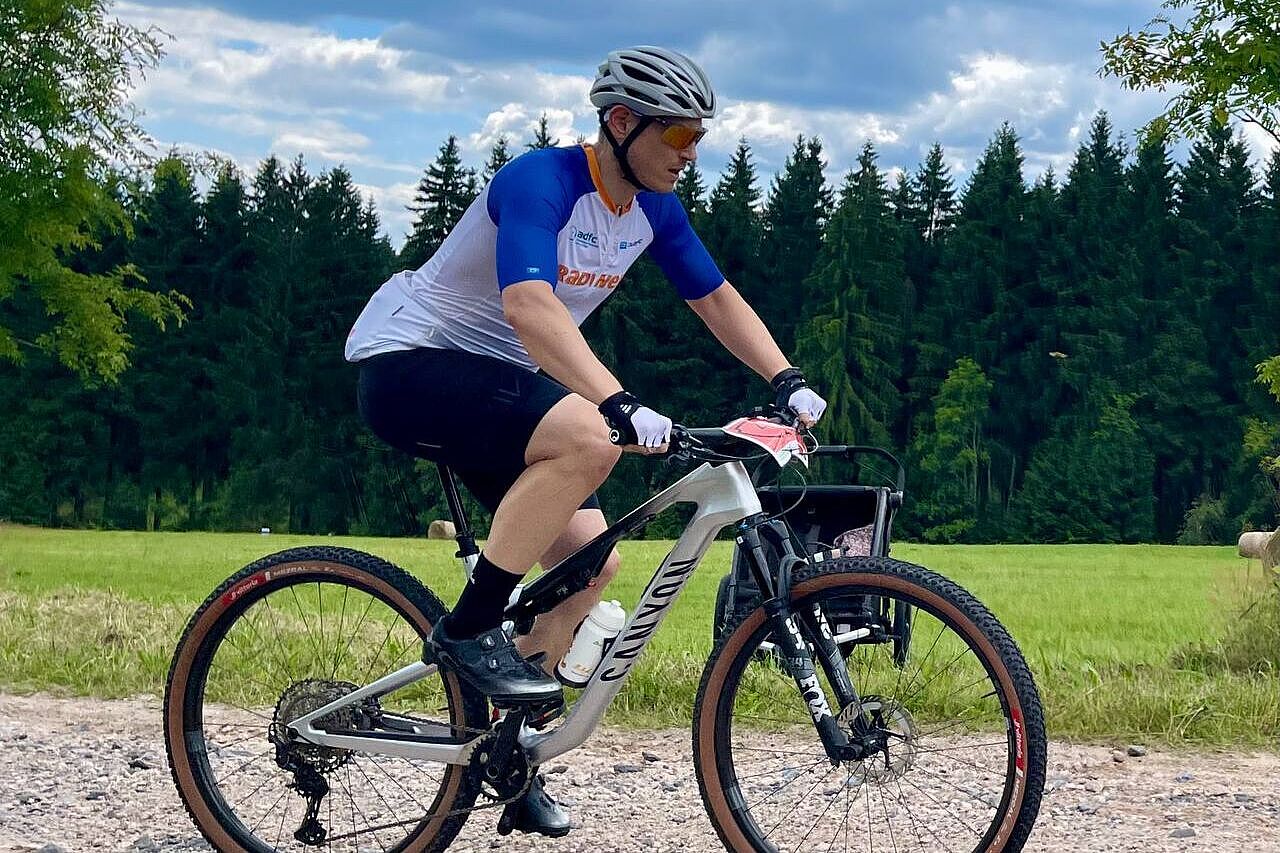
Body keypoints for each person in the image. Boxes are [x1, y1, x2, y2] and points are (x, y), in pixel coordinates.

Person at [345, 45, 826, 836]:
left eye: (699, 136)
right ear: (622, 122)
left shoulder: (653, 209)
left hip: (497, 386)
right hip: (411, 364)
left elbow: (715, 298)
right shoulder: (540, 182)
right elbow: (530, 306)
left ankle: (507, 755)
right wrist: (617, 401)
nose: (691, 153)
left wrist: (786, 378)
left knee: (588, 567)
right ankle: (467, 629)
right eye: (679, 134)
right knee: (589, 436)